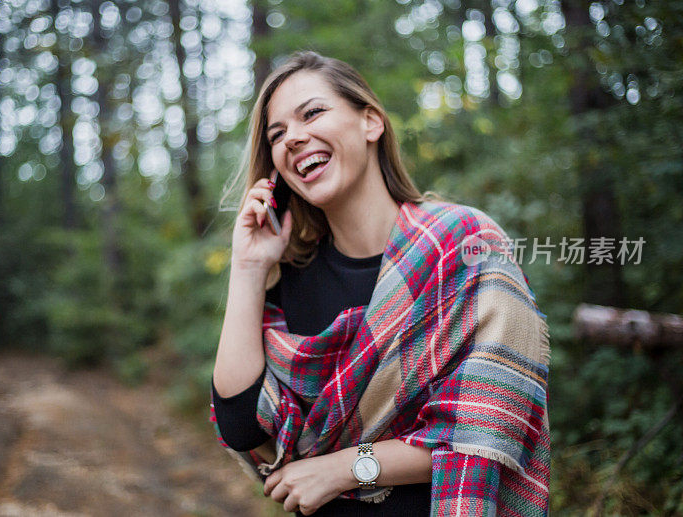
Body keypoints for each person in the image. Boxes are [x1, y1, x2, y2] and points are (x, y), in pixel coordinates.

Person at [210, 51, 550, 516]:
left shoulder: (466, 247)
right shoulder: (290, 282)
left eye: (312, 113)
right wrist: (247, 266)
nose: (293, 137)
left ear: (371, 122)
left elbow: (489, 425)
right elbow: (241, 427)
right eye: (277, 134)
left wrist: (346, 467)